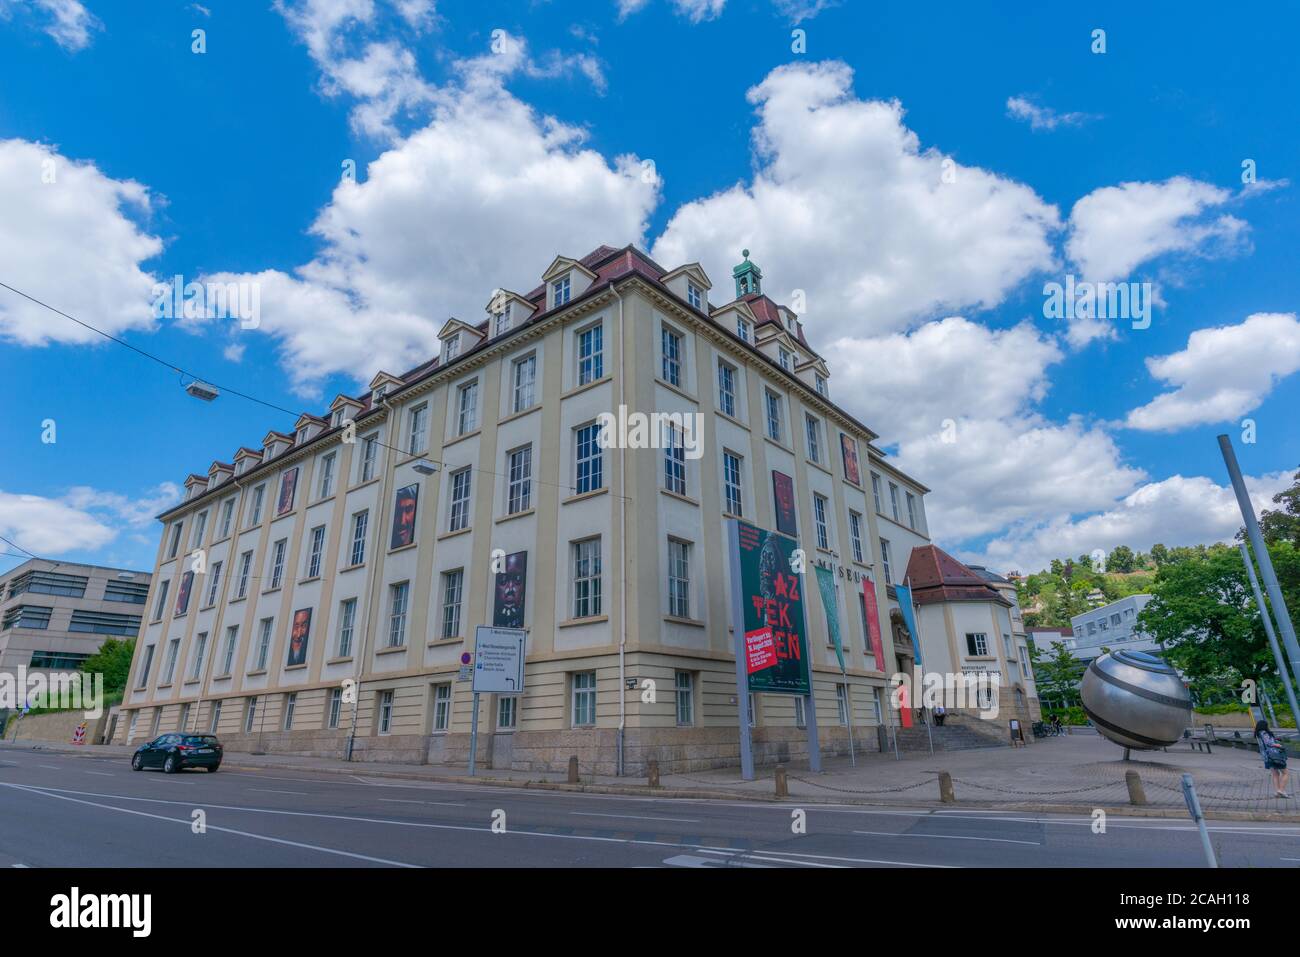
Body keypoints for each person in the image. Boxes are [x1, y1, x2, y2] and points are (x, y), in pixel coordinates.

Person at [1256, 719, 1290, 798]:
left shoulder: (1258, 734)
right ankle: (1281, 790)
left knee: (1275, 774)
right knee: (1285, 773)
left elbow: (1266, 743)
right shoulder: (1264, 733)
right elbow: (1269, 743)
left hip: (1267, 757)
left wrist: (1275, 740)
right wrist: (1278, 745)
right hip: (1274, 756)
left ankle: (1277, 791)